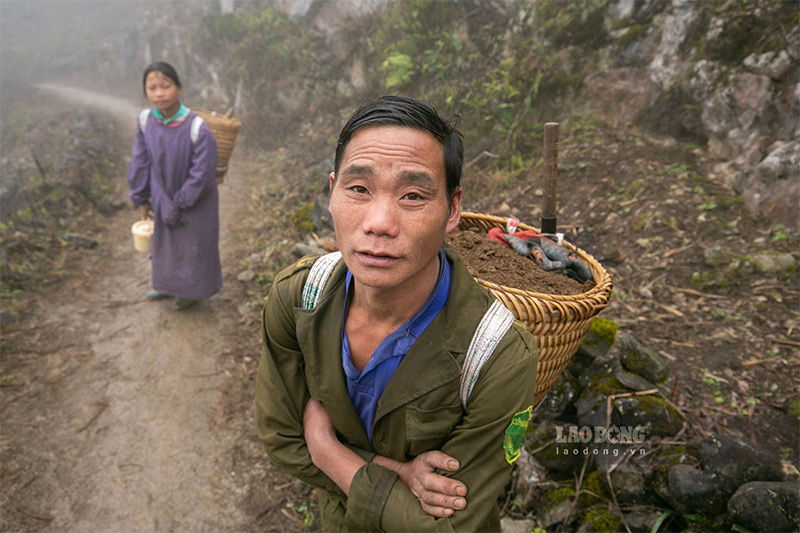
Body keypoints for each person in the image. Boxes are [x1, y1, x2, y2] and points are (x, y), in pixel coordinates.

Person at [254, 96, 538, 531]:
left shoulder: (498, 356)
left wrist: (327, 449)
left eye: (413, 195)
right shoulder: (299, 299)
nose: (379, 222)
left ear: (453, 209)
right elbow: (281, 437)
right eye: (359, 189)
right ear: (332, 191)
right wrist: (400, 471)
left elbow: (448, 525)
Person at [127, 61, 222, 310]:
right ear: (145, 91)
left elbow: (202, 173)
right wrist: (142, 197)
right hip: (161, 194)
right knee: (165, 244)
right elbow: (140, 160)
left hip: (196, 199)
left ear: (179, 88)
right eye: (152, 87)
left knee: (193, 245)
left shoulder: (197, 128)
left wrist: (180, 202)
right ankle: (165, 285)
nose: (159, 93)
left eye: (165, 86)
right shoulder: (145, 121)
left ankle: (190, 291)